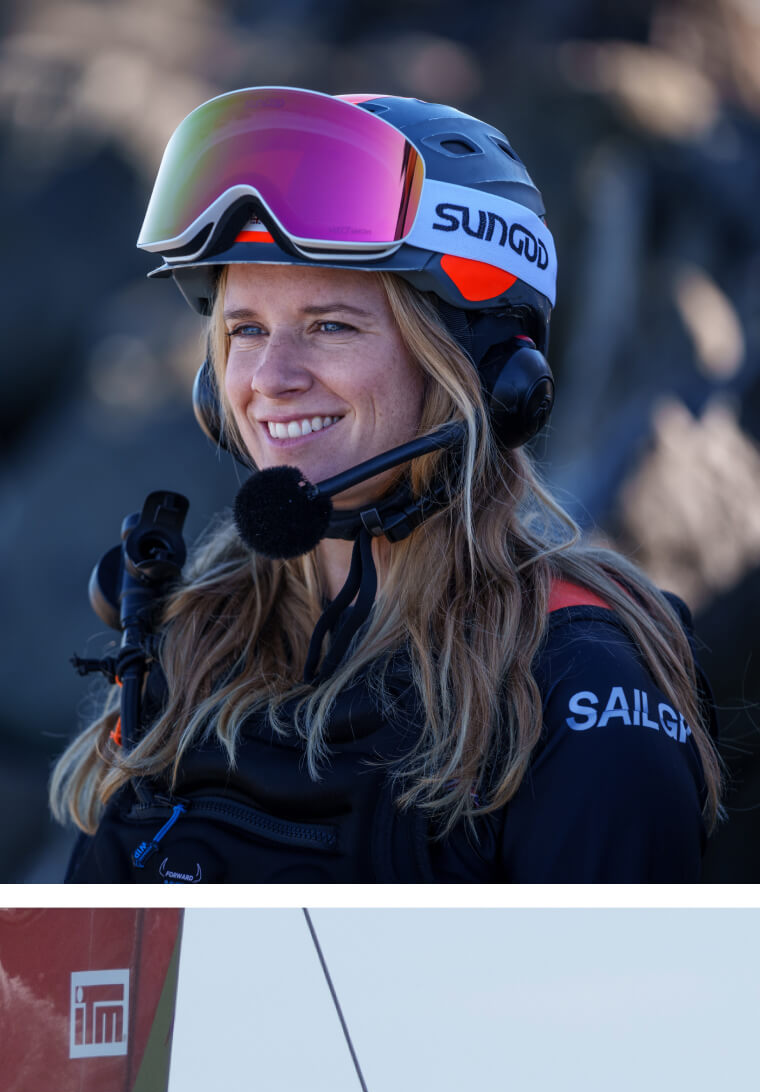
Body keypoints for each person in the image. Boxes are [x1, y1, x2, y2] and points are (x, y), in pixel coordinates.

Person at [54, 87, 722, 882]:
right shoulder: (190, 641)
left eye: (331, 325)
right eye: (245, 330)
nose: (270, 379)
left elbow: (617, 1004)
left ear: (479, 374)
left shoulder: (577, 681)